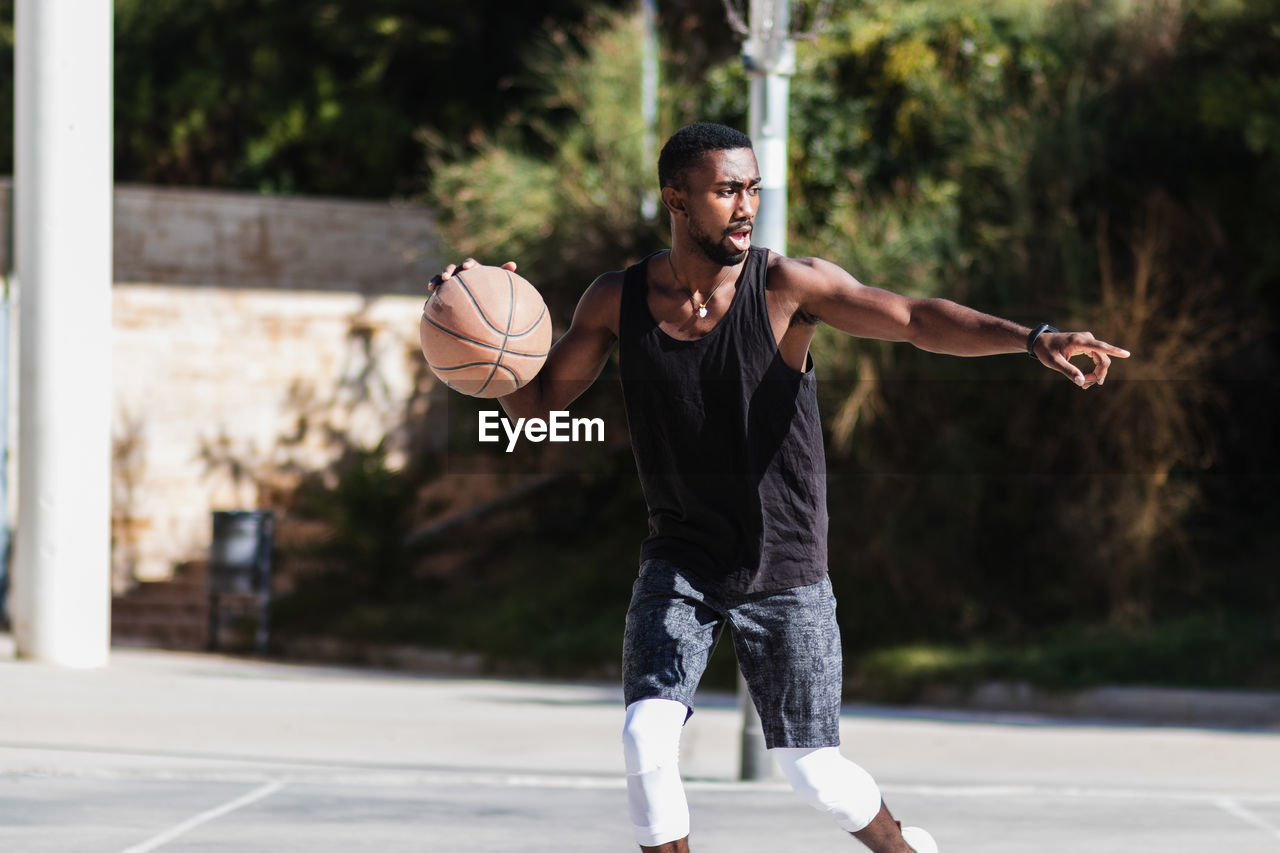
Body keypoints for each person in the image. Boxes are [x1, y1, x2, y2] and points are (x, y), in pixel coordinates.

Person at [429, 122, 1129, 852]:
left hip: (783, 564)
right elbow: (538, 406)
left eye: (753, 188)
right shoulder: (616, 300)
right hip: (681, 557)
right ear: (676, 198)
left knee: (813, 770)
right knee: (645, 734)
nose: (746, 205)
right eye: (727, 189)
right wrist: (487, 345)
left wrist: (1030, 336)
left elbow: (916, 319)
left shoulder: (787, 288)